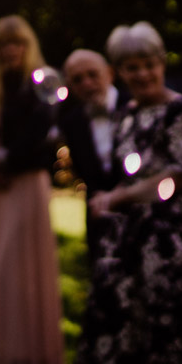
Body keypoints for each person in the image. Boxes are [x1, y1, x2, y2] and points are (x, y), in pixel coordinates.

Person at [76, 21, 182, 364]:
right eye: (131, 67)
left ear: (162, 63)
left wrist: (114, 199)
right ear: (120, 71)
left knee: (169, 338)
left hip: (170, 247)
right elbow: (126, 174)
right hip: (127, 245)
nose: (142, 74)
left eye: (148, 64)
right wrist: (107, 198)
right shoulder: (126, 116)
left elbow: (176, 177)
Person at [0, 16, 63, 364]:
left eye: (17, 42)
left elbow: (40, 136)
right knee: (0, 270)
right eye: (4, 43)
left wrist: (0, 160)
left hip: (28, 184)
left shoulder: (39, 83)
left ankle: (34, 356)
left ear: (28, 45)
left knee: (25, 268)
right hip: (1, 188)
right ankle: (3, 354)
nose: (11, 49)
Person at [59, 49, 121, 263]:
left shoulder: (133, 107)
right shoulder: (71, 122)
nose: (86, 83)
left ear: (110, 74)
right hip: (97, 220)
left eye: (93, 75)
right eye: (77, 79)